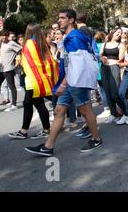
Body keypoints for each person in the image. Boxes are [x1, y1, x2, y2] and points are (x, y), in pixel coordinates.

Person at [25, 9, 102, 156]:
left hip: (75, 80)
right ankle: (48, 146)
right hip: (70, 80)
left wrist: (63, 84)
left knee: (85, 110)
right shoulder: (69, 36)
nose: (59, 20)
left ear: (71, 20)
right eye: (59, 17)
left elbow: (77, 64)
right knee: (59, 110)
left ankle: (96, 138)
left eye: (62, 18)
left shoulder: (74, 37)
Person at [7, 24, 55, 140]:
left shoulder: (29, 44)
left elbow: (27, 62)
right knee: (29, 104)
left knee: (38, 105)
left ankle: (42, 129)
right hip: (40, 79)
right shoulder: (42, 44)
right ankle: (25, 131)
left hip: (32, 80)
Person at [100, 27, 128, 124]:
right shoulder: (105, 44)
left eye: (120, 33)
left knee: (115, 93)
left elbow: (120, 58)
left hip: (114, 68)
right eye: (118, 32)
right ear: (113, 32)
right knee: (107, 92)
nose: (119, 34)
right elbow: (100, 54)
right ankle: (113, 114)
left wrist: (112, 60)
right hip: (104, 68)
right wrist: (102, 57)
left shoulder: (121, 45)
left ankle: (126, 111)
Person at [0, 30, 22, 112]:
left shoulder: (11, 43)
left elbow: (21, 49)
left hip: (9, 69)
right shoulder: (0, 44)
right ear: (0, 36)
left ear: (7, 36)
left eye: (5, 35)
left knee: (12, 87)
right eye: (2, 35)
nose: (3, 37)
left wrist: (17, 58)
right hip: (1, 69)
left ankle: (14, 105)